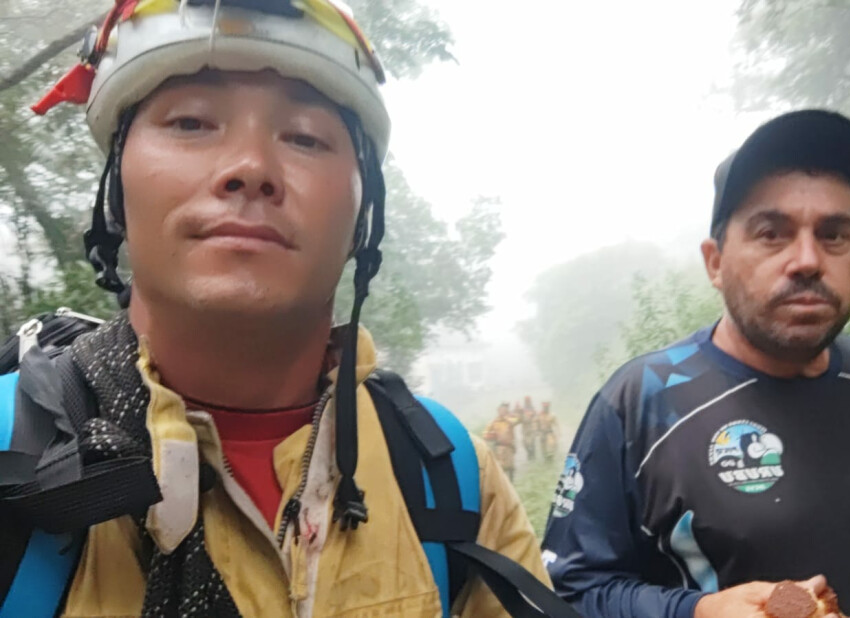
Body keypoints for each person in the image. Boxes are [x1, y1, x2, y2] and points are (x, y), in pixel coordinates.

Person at [1, 1, 556, 616]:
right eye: (190, 123)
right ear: (116, 187)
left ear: (360, 218)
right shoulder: (18, 461)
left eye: (305, 137)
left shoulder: (450, 475)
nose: (251, 168)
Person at [540, 110, 850, 618]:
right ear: (715, 261)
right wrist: (694, 612)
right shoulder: (643, 401)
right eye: (771, 233)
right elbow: (570, 590)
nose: (807, 259)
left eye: (834, 234)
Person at [484, 403, 519, 481]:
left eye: (504, 410)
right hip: (499, 447)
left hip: (509, 447)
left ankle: (511, 482)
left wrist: (507, 418)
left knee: (511, 466)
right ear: (498, 411)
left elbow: (517, 421)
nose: (502, 412)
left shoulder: (510, 420)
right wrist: (490, 435)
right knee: (501, 467)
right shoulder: (494, 422)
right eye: (501, 410)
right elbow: (485, 434)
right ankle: (502, 483)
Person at [521, 395, 539, 461]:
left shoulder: (533, 409)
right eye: (526, 401)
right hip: (525, 430)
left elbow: (536, 418)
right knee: (525, 444)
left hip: (531, 429)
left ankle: (532, 456)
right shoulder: (522, 409)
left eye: (528, 401)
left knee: (532, 443)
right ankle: (529, 453)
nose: (527, 402)